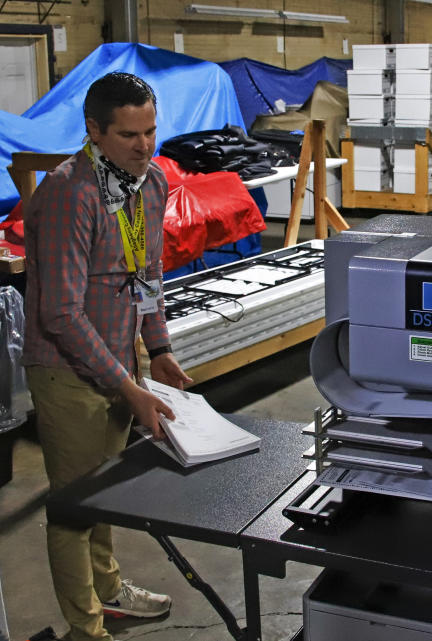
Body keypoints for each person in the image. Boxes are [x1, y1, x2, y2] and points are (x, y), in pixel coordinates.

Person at [22, 72, 192, 641]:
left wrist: (159, 347)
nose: (145, 147)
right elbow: (61, 314)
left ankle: (109, 591)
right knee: (73, 506)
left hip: (121, 360)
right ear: (94, 130)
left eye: (150, 131)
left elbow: (146, 272)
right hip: (67, 371)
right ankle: (85, 627)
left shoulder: (151, 183)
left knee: (105, 490)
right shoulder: (70, 193)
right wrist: (127, 385)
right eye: (128, 135)